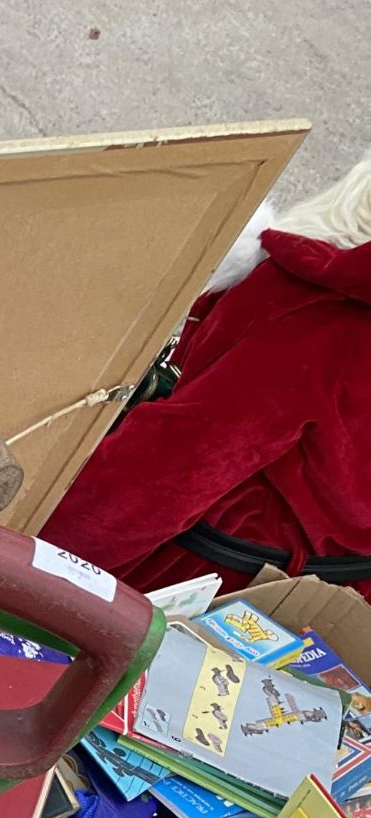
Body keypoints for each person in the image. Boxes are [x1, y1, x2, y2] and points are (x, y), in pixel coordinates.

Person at [41, 149, 371, 605]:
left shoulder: (310, 309)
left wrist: (29, 555)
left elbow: (172, 469)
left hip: (225, 583)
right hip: (343, 599)